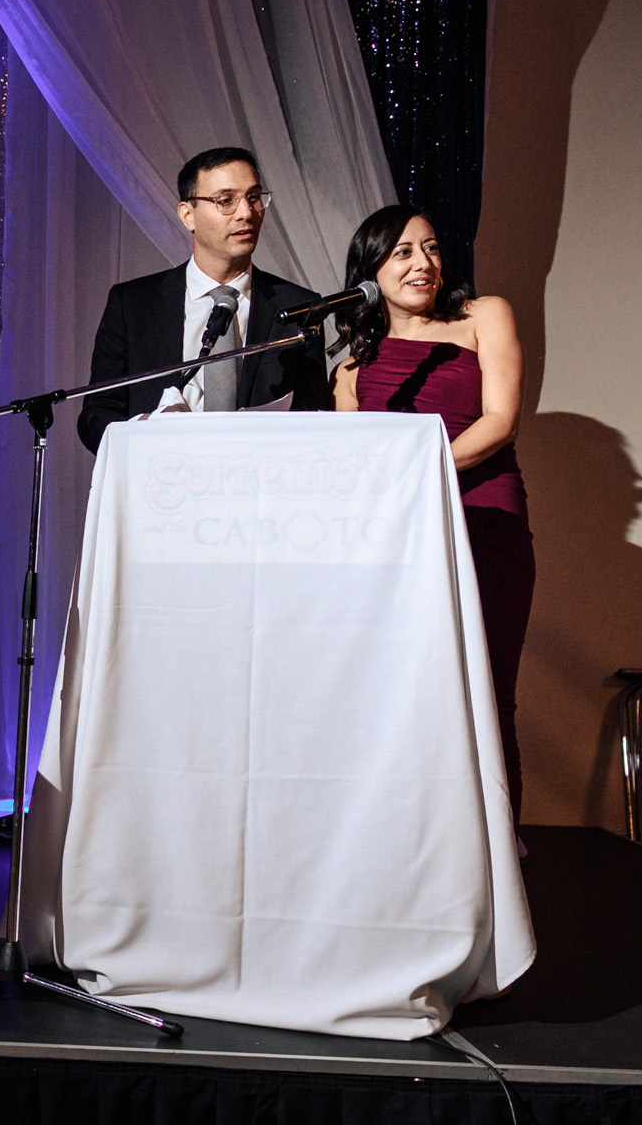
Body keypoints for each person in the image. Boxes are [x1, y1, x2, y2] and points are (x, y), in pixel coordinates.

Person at [334, 206, 534, 816]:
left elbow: (499, 422)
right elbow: (350, 460)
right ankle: (411, 831)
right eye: (402, 252)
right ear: (370, 268)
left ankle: (499, 837)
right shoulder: (351, 365)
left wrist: (423, 471)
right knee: (400, 686)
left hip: (481, 512)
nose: (423, 263)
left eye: (432, 249)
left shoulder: (482, 316)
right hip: (396, 530)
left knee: (487, 684)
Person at [77, 147, 331, 452]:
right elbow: (97, 413)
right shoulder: (134, 304)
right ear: (188, 215)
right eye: (226, 201)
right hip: (159, 482)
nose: (246, 213)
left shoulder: (299, 307)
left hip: (259, 486)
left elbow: (314, 415)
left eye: (253, 197)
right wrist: (144, 436)